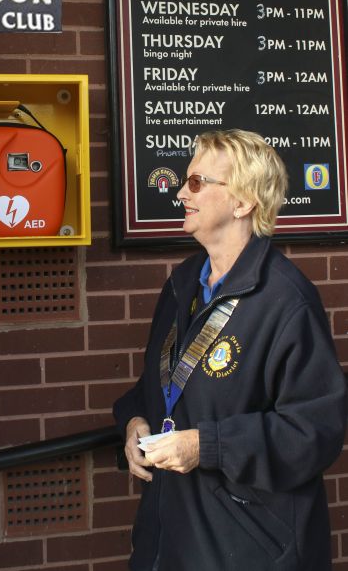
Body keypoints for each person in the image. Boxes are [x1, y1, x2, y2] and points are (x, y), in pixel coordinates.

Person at [113, 129, 347, 571]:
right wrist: (134, 421)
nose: (181, 192)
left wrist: (208, 446)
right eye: (186, 180)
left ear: (242, 203)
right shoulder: (183, 284)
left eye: (198, 182)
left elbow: (315, 431)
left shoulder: (286, 301)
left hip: (249, 550)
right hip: (168, 543)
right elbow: (159, 386)